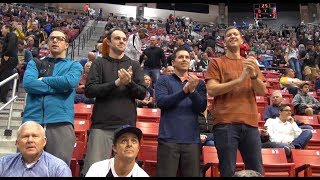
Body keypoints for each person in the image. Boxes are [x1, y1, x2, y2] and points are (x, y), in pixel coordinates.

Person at [82, 28, 146, 176]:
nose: (122, 41)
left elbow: (142, 94)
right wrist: (116, 83)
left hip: (127, 127)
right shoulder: (99, 63)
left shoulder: (134, 65)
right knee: (95, 170)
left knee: (125, 172)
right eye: (117, 38)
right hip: (101, 126)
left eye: (124, 39)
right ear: (109, 42)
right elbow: (90, 90)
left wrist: (129, 83)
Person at [204, 26, 266, 177]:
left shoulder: (251, 63)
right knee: (227, 171)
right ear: (224, 41)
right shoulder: (216, 62)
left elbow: (262, 91)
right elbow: (212, 89)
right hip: (225, 123)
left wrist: (252, 76)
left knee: (257, 170)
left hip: (250, 123)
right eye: (228, 35)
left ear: (241, 40)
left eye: (235, 34)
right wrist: (239, 80)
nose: (232, 36)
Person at [22, 30, 83, 166]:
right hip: (32, 122)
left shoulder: (74, 65)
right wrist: (57, 86)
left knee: (58, 169)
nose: (55, 41)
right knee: (25, 169)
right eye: (52, 38)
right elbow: (29, 84)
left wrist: (42, 80)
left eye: (60, 39)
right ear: (48, 42)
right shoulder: (35, 62)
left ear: (66, 45)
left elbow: (69, 83)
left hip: (60, 122)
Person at [155, 47, 207, 177]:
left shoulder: (199, 83)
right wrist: (184, 92)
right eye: (181, 57)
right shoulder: (163, 80)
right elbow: (162, 102)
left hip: (192, 140)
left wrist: (192, 91)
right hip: (168, 139)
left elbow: (201, 107)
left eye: (187, 57)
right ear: (173, 62)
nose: (184, 59)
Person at [0, 121, 72, 177]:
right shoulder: (3, 164)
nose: (30, 140)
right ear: (17, 143)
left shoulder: (59, 168)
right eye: (25, 136)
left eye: (35, 136)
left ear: (44, 141)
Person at [0, 24, 18, 104]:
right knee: (2, 77)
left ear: (7, 29)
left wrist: (6, 54)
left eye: (2, 28)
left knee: (5, 78)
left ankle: (3, 98)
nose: (1, 30)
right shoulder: (7, 37)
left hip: (10, 59)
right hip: (6, 58)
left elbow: (11, 46)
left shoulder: (12, 35)